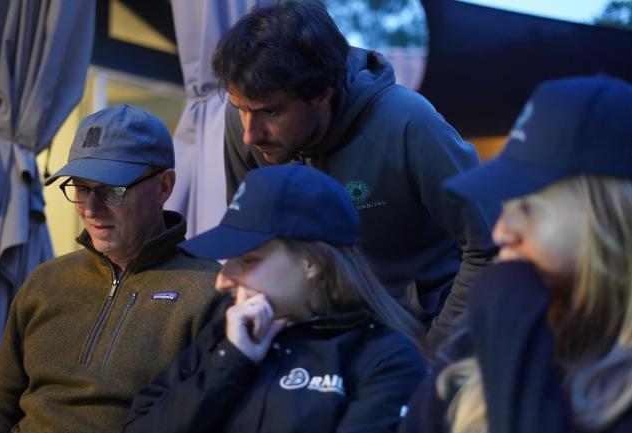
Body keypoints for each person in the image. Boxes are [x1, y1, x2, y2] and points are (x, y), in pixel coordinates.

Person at [371, 74, 632, 433]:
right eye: (504, 208)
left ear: (607, 223)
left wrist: (508, 294)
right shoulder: (477, 341)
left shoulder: (510, 310)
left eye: (527, 208)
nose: (503, 231)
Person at [0, 105, 225, 433]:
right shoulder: (46, 281)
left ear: (164, 186)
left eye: (112, 190)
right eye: (80, 188)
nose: (91, 209)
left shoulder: (210, 292)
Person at [116, 165, 429, 433]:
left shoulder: (384, 359)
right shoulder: (228, 336)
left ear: (313, 263)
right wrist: (230, 364)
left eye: (247, 261)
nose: (222, 281)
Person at [211, 1, 497, 349]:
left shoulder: (408, 124)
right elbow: (249, 241)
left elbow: (488, 247)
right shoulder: (246, 118)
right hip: (311, 333)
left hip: (415, 332)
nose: (250, 135)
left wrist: (434, 356)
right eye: (241, 108)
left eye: (270, 111)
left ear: (322, 95)